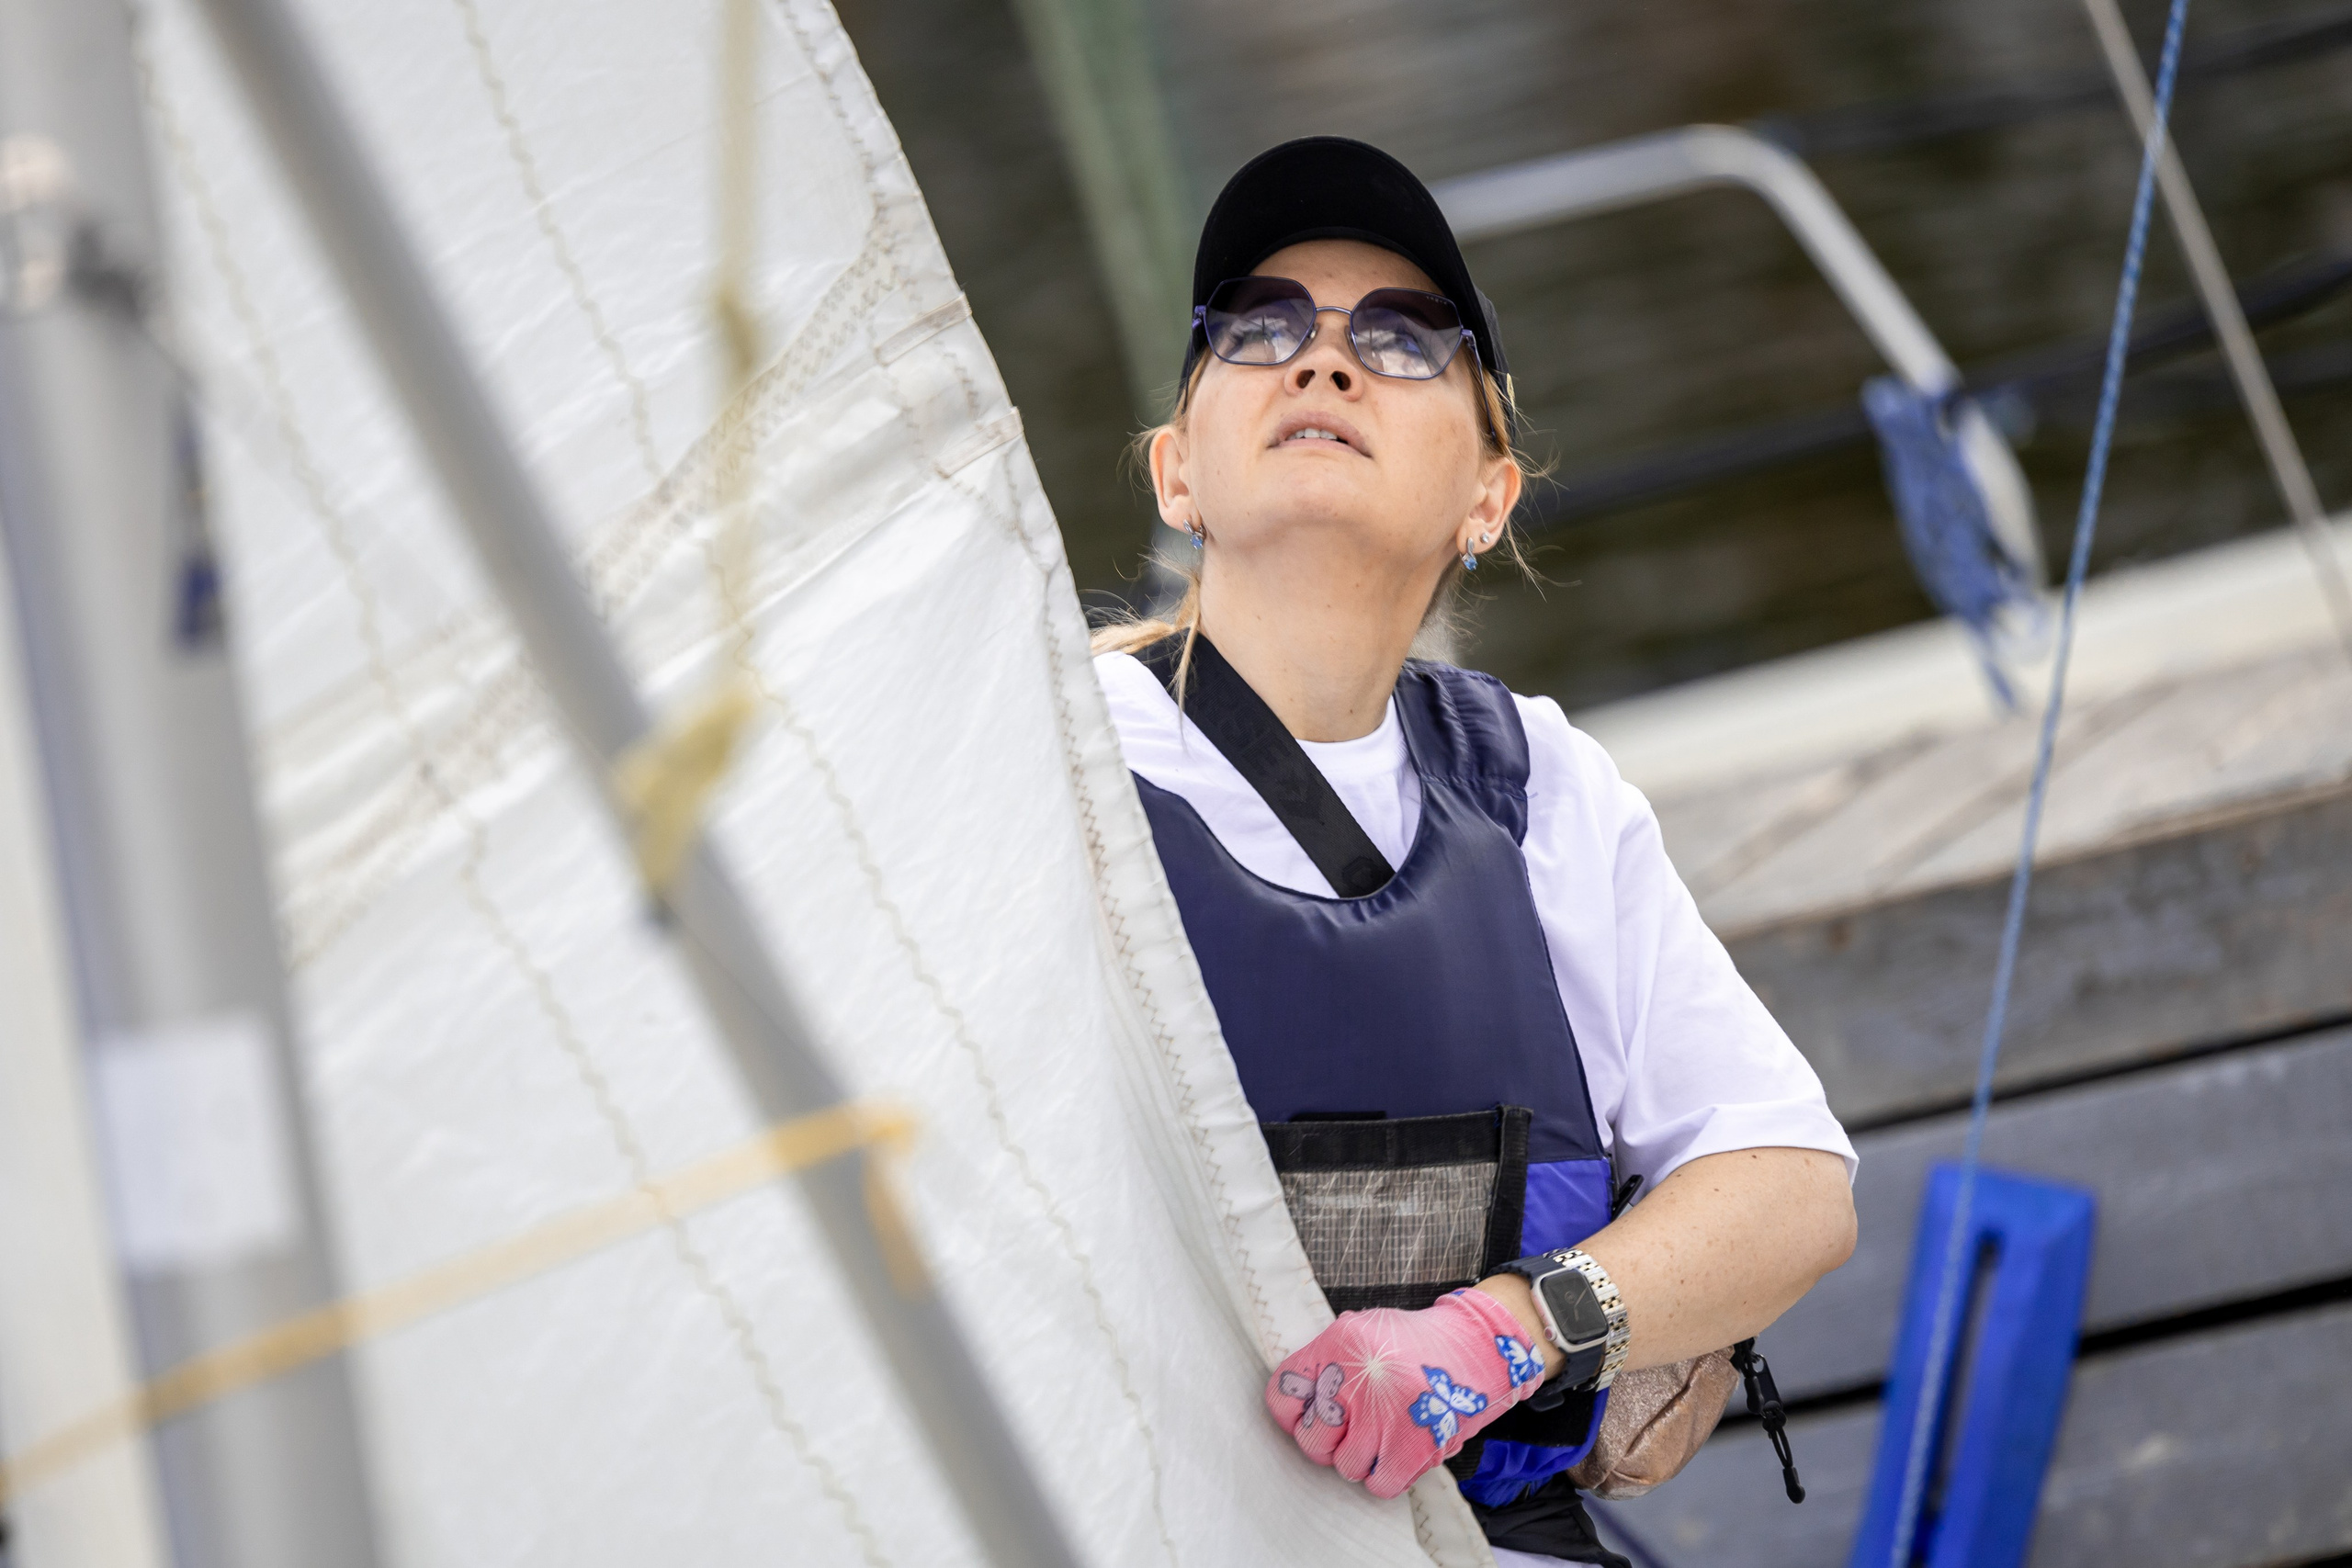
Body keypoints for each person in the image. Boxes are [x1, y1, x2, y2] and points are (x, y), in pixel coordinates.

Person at [1090, 138, 1859, 1565]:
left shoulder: (1541, 788)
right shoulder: (1048, 772)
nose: (1322, 361)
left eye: (1400, 338)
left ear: (1488, 500)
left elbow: (1791, 1182)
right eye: (1258, 328)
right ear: (1176, 472)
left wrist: (1505, 1337)